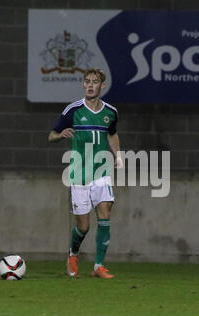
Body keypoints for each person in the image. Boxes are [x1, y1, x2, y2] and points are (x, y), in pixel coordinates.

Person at [48, 68, 122, 279]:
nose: (90, 85)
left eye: (95, 82)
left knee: (105, 215)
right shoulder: (73, 110)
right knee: (83, 226)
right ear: (83, 85)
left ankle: (98, 266)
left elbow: (113, 135)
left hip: (101, 171)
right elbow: (51, 135)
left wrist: (118, 155)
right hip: (79, 173)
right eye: (87, 81)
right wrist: (60, 135)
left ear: (102, 86)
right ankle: (73, 253)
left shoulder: (111, 112)